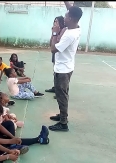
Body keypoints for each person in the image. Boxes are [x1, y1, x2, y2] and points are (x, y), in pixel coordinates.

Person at [49, 3, 83, 131]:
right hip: (66, 67)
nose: (64, 19)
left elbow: (53, 49)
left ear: (73, 19)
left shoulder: (69, 35)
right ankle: (62, 115)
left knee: (61, 95)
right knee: (62, 94)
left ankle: (63, 123)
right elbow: (71, 10)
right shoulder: (76, 27)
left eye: (66, 17)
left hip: (63, 70)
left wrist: (54, 33)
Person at [45, 16, 66, 94]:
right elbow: (51, 44)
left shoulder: (64, 32)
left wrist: (55, 33)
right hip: (55, 54)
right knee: (55, 72)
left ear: (61, 22)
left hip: (61, 56)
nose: (55, 23)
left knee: (61, 74)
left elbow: (58, 44)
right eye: (54, 21)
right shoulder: (55, 32)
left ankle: (60, 91)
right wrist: (53, 33)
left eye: (56, 21)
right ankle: (55, 88)